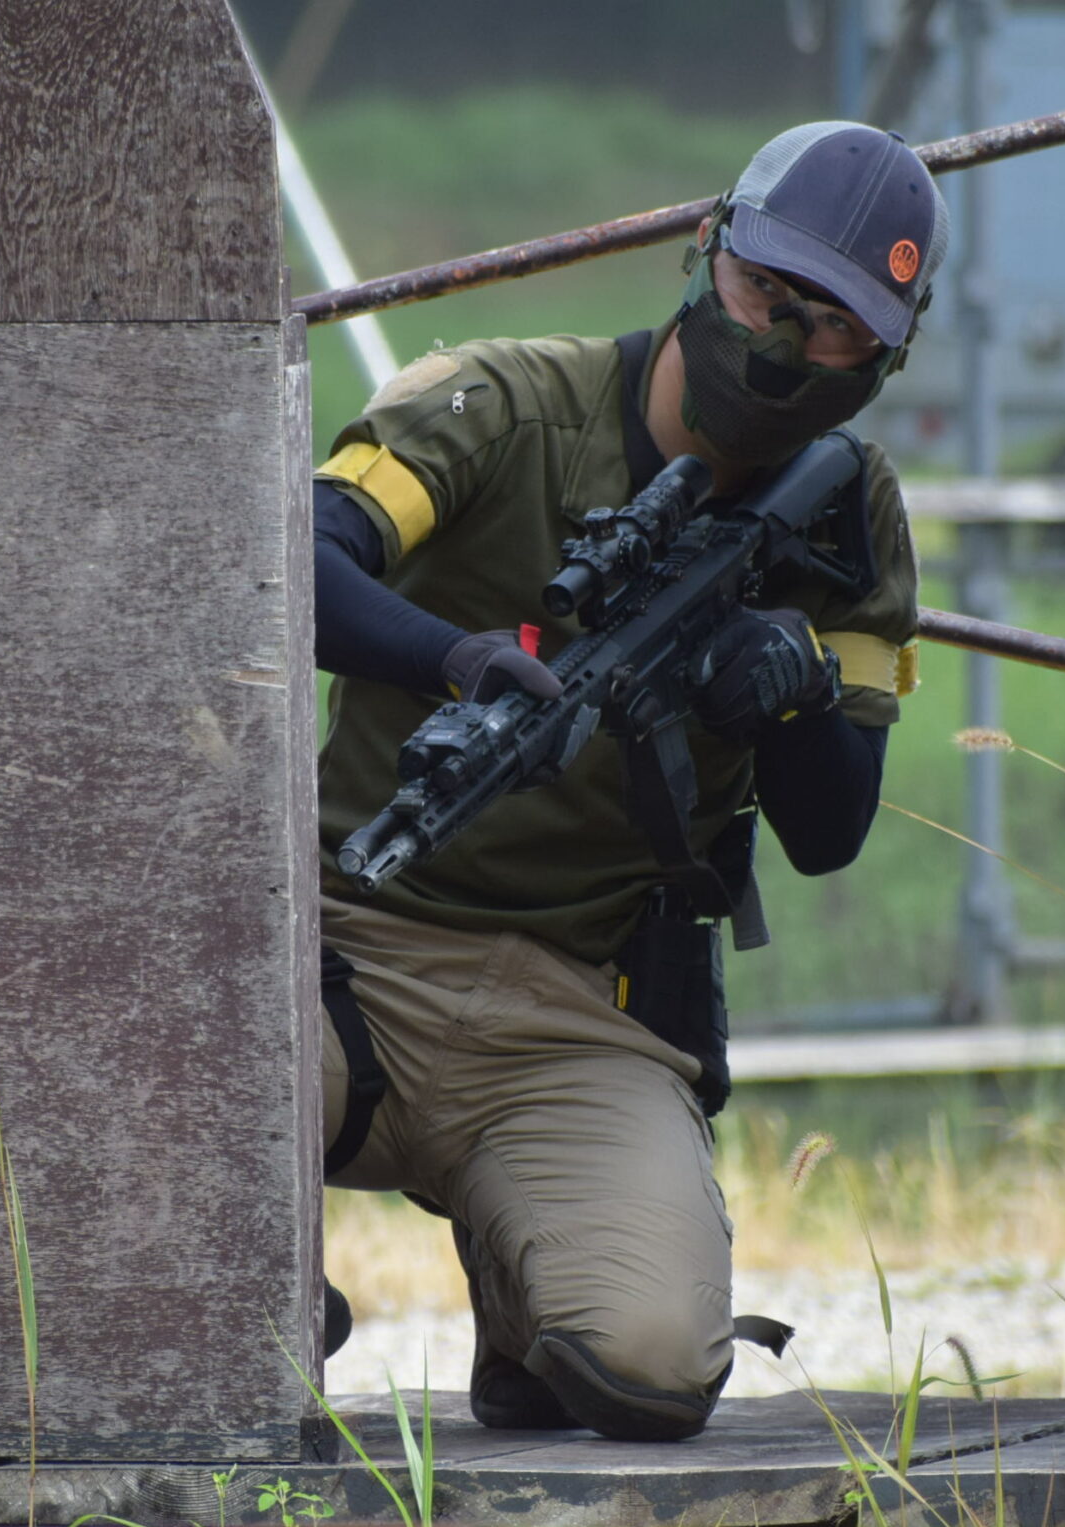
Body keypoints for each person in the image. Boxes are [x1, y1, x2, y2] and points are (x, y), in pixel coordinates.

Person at [309, 122, 944, 1441]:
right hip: (334, 953)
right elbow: (285, 559)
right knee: (184, 1268)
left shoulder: (845, 512)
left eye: (837, 329)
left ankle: (525, 1299)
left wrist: (789, 691)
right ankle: (244, 1294)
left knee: (650, 1366)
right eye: (769, 296)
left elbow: (831, 831)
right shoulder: (500, 403)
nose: (789, 345)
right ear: (706, 251)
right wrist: (456, 660)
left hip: (569, 1015)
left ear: (887, 355)